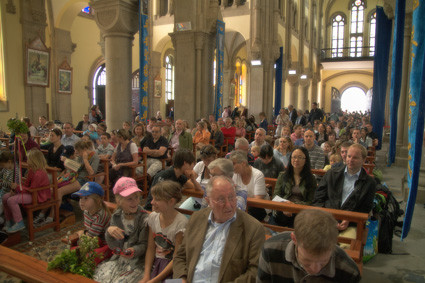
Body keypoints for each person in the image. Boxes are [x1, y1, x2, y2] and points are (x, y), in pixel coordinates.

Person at [173, 175, 265, 282]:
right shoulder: (196, 219)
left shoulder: (253, 228)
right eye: (221, 200)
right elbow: (180, 257)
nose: (228, 205)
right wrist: (181, 279)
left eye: (231, 197)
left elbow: (255, 271)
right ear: (208, 201)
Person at [257, 209, 361, 282]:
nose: (315, 270)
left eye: (323, 262)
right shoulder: (270, 251)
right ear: (294, 239)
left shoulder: (349, 272)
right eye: (307, 262)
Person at [313, 144, 376, 241]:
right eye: (349, 156)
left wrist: (349, 219)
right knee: (314, 240)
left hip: (351, 223)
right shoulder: (332, 173)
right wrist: (329, 218)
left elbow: (365, 208)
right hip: (327, 218)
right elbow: (318, 198)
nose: (350, 160)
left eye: (355, 158)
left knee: (346, 246)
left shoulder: (369, 183)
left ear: (363, 160)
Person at [94, 177, 149, 283]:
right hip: (120, 260)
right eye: (129, 199)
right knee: (101, 278)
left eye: (137, 197)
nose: (135, 202)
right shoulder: (117, 216)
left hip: (137, 263)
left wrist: (134, 250)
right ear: (119, 200)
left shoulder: (143, 218)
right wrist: (109, 233)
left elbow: (145, 245)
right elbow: (115, 246)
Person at [140, 181, 188, 283]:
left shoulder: (181, 223)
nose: (152, 202)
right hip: (155, 263)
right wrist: (147, 275)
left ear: (171, 201)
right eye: (152, 198)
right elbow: (151, 247)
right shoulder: (153, 217)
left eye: (157, 199)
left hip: (172, 267)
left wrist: (155, 280)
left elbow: (176, 259)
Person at [2, 149, 50, 233]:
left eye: (28, 159)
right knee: (5, 197)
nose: (27, 161)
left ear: (34, 160)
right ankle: (10, 220)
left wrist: (17, 188)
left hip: (37, 196)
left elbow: (32, 189)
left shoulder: (39, 173)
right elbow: (27, 185)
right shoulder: (32, 170)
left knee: (11, 200)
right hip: (31, 193)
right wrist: (16, 190)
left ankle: (19, 222)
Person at [269, 147, 317, 227]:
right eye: (294, 157)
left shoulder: (311, 179)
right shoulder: (283, 175)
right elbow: (275, 196)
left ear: (306, 160)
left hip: (301, 210)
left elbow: (311, 201)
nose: (296, 160)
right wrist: (285, 205)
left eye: (300, 157)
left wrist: (293, 206)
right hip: (283, 208)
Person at [71, 182, 112, 265]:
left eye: (86, 198)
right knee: (74, 251)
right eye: (80, 198)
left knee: (89, 257)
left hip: (106, 243)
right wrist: (83, 234)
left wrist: (82, 234)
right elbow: (88, 231)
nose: (81, 202)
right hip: (94, 239)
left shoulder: (101, 215)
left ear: (97, 200)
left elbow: (91, 236)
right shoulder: (86, 211)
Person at [230, 150, 268, 221]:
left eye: (234, 164)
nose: (232, 167)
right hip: (241, 207)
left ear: (243, 163)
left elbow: (258, 200)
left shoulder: (258, 175)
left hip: (257, 209)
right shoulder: (234, 174)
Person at [179, 145, 218, 211]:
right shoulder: (200, 165)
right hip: (196, 199)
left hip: (210, 202)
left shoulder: (219, 169)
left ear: (215, 157)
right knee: (181, 212)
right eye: (204, 160)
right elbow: (190, 181)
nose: (206, 162)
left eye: (208, 160)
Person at [0, 150, 14, 225]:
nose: (2, 167)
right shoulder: (5, 168)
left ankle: (3, 221)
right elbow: (1, 174)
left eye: (3, 165)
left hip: (8, 194)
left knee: (1, 207)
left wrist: (1, 183)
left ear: (9, 162)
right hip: (2, 192)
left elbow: (11, 184)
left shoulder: (14, 171)